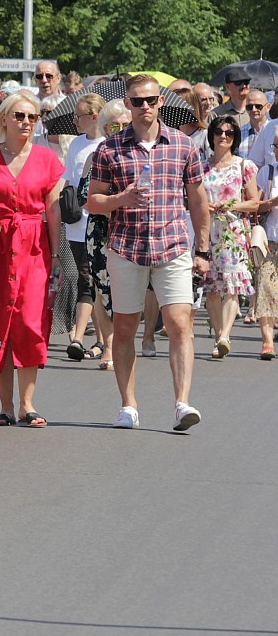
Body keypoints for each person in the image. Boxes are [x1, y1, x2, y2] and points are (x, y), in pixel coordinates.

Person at [87, 74, 210, 431]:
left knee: (180, 323)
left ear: (161, 103)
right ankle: (129, 405)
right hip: (126, 247)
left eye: (151, 100)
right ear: (127, 104)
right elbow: (92, 202)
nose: (145, 107)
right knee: (125, 327)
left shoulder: (182, 145)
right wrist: (120, 199)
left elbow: (199, 201)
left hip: (171, 244)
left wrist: (202, 248)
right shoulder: (109, 148)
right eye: (138, 101)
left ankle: (182, 403)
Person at [0, 92, 64, 428]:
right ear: (4, 118)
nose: (26, 122)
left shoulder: (47, 159)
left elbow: (55, 210)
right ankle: (5, 405)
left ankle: (28, 404)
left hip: (33, 246)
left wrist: (57, 255)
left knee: (30, 321)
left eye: (31, 117)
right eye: (19, 116)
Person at [79, 100, 131, 371]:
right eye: (114, 125)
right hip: (99, 231)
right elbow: (82, 197)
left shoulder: (136, 154)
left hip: (129, 230)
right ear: (104, 127)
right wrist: (110, 201)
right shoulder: (96, 154)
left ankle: (125, 342)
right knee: (101, 290)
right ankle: (108, 345)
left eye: (124, 124)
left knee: (125, 289)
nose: (119, 130)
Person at [202, 116, 258, 358]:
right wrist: (206, 206)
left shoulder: (243, 165)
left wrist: (232, 204)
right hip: (207, 230)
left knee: (233, 286)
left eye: (229, 133)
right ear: (211, 135)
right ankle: (218, 337)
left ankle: (225, 335)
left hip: (233, 231)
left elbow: (254, 202)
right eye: (218, 132)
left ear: (235, 137)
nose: (223, 136)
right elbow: (192, 199)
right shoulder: (201, 166)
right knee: (212, 288)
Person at [62, 94, 109, 361]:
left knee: (94, 281)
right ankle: (95, 340)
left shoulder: (108, 144)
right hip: (76, 223)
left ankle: (83, 338)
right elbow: (68, 181)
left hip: (99, 223)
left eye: (78, 116)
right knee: (84, 278)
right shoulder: (77, 144)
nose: (74, 120)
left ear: (93, 116)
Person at [252, 129, 278, 358]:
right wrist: (272, 202)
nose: (277, 152)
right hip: (271, 239)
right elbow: (255, 206)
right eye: (276, 147)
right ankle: (267, 342)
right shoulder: (267, 173)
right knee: (266, 289)